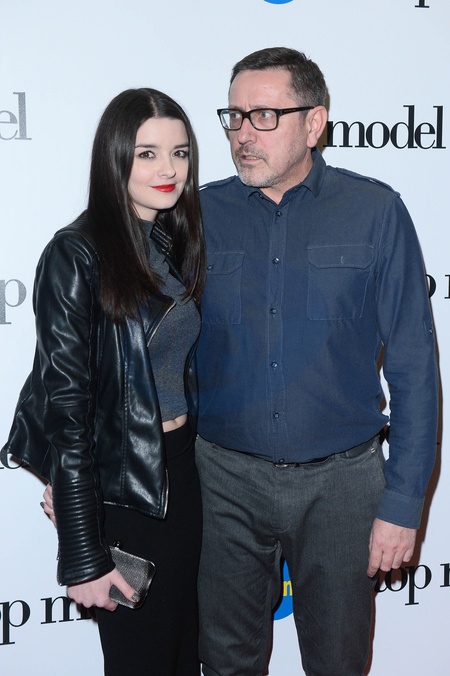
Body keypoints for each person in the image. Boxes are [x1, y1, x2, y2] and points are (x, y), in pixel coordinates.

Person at [195, 47, 438, 676]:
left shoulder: (375, 212)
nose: (243, 134)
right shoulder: (196, 215)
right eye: (234, 116)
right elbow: (141, 344)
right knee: (224, 664)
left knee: (338, 662)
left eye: (264, 116)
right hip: (223, 483)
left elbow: (414, 369)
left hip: (343, 487)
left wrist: (402, 505)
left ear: (314, 123)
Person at [2, 88, 205, 676]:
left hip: (183, 474)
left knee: (184, 655)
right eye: (147, 153)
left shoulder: (169, 242)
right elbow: (67, 409)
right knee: (142, 660)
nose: (168, 169)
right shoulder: (76, 253)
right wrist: (83, 551)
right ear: (114, 157)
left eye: (180, 153)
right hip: (123, 488)